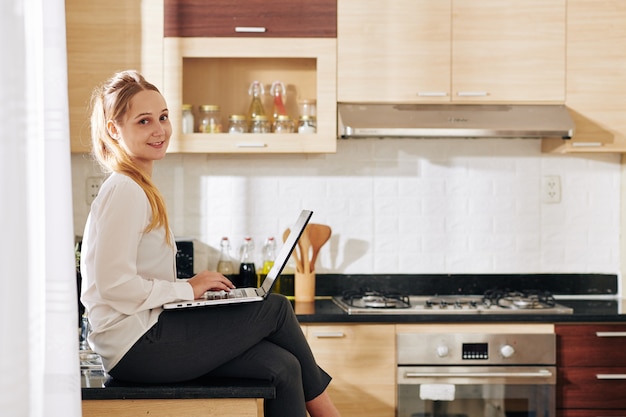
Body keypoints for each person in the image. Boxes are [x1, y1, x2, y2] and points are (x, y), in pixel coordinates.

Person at [80, 70, 341, 417]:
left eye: (163, 117)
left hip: (144, 339)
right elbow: (114, 286)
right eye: (144, 121)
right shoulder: (125, 189)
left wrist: (191, 295)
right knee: (275, 308)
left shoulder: (137, 187)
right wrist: (188, 289)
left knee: (282, 366)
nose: (159, 130)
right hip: (135, 348)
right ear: (115, 130)